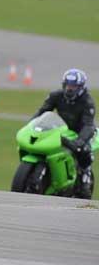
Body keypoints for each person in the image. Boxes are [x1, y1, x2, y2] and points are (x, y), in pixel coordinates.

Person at [31, 69, 96, 198]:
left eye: (73, 86)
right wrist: (31, 126)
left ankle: (84, 179)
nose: (69, 89)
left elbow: (88, 124)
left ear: (81, 87)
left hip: (81, 132)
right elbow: (42, 112)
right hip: (61, 129)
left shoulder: (87, 102)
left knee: (84, 151)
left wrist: (80, 141)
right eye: (67, 85)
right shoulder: (56, 95)